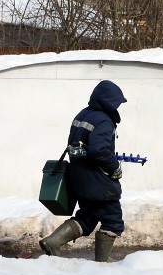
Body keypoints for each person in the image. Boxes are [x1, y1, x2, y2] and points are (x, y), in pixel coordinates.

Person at [39, 80, 127, 262]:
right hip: (98, 182)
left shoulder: (83, 114)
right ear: (108, 101)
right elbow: (99, 150)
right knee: (113, 219)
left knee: (87, 217)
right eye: (117, 102)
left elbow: (80, 146)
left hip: (80, 179)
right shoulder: (104, 120)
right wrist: (115, 167)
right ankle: (103, 263)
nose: (118, 106)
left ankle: (53, 241)